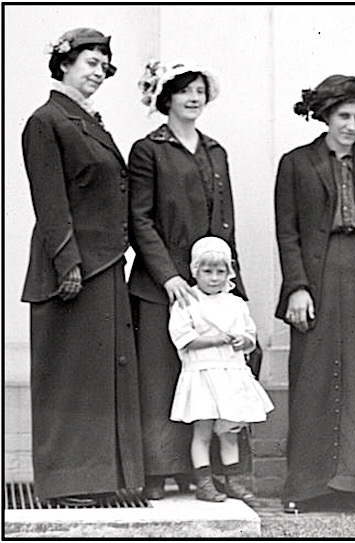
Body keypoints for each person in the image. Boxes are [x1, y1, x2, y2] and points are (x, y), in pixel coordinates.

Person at [20, 28, 143, 507]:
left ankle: (101, 476)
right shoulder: (47, 120)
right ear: (65, 64)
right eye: (91, 62)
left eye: (104, 65)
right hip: (72, 271)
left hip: (105, 265)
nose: (99, 73)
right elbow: (50, 200)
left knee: (101, 375)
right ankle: (69, 481)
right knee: (70, 376)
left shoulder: (89, 120)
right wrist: (67, 262)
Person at [275, 75, 355, 513]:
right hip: (318, 274)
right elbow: (287, 233)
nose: (352, 125)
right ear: (326, 116)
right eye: (344, 116)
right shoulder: (295, 163)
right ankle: (308, 488)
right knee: (313, 378)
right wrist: (297, 287)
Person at [128, 59, 251, 501]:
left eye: (200, 90)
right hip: (164, 286)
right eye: (184, 91)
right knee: (163, 378)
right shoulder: (148, 150)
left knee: (218, 376)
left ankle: (209, 474)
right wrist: (168, 277)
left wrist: (227, 278)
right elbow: (140, 221)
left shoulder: (215, 150)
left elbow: (226, 219)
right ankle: (160, 472)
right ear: (167, 98)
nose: (194, 98)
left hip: (212, 281)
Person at [168, 237, 273, 502]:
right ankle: (203, 483)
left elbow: (250, 334)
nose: (214, 278)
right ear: (195, 271)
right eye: (207, 271)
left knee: (229, 431)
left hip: (231, 373)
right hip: (203, 373)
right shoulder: (186, 302)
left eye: (220, 272)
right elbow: (184, 339)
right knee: (202, 431)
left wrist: (243, 341)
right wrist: (216, 339)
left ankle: (232, 481)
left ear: (229, 272)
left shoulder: (235, 303)